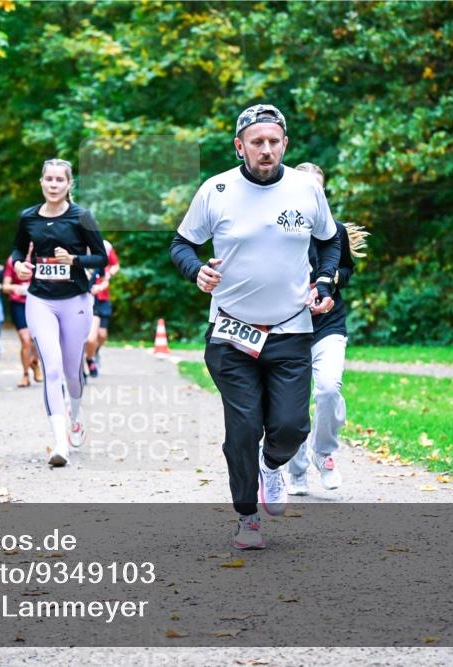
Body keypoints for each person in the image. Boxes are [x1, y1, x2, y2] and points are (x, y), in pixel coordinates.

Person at [169, 104, 341, 550]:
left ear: (285, 143)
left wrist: (324, 280)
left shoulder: (306, 189)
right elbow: (182, 243)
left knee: (290, 427)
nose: (266, 150)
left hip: (291, 328)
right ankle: (247, 516)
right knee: (243, 427)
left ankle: (272, 464)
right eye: (257, 142)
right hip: (231, 332)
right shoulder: (217, 189)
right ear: (240, 146)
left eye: (274, 141)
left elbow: (330, 240)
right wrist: (196, 271)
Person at [10, 158, 107, 467]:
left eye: (59, 180)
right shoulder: (28, 218)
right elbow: (16, 250)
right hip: (40, 300)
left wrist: (75, 261)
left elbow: (101, 258)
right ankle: (60, 443)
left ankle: (75, 416)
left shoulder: (82, 217)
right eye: (48, 179)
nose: (53, 185)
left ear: (68, 185)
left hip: (76, 301)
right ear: (41, 182)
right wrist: (19, 265)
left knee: (71, 371)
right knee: (51, 370)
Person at [285, 162, 368, 496]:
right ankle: (296, 471)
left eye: (317, 189)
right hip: (288, 326)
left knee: (329, 389)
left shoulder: (335, 230)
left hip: (328, 323)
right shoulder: (282, 228)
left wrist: (330, 284)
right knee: (290, 404)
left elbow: (346, 269)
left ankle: (324, 452)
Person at [3, 251, 43, 387]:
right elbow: (5, 286)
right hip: (19, 304)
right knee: (26, 340)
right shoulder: (13, 260)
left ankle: (36, 363)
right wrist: (16, 287)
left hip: (39, 303)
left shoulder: (42, 257)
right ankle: (25, 375)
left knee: (36, 339)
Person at [85, 239, 120, 377]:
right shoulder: (73, 245)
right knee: (86, 338)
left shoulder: (104, 247)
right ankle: (87, 361)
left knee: (101, 334)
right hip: (81, 299)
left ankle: (93, 352)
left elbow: (115, 265)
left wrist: (106, 279)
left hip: (100, 297)